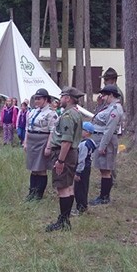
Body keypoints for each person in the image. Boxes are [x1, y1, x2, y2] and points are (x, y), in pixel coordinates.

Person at [45, 87, 85, 232]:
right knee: (68, 187)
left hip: (64, 153)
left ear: (68, 98)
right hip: (71, 153)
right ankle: (65, 220)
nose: (60, 99)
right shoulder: (76, 113)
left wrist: (60, 161)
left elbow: (66, 140)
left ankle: (62, 221)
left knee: (62, 187)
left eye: (62, 96)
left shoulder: (68, 116)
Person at [90, 84, 125, 206]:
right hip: (100, 139)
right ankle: (103, 196)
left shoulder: (114, 109)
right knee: (103, 169)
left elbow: (109, 129)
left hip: (106, 141)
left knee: (106, 170)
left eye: (104, 95)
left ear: (111, 95)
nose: (102, 97)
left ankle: (104, 197)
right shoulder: (108, 107)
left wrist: (103, 146)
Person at [23, 88, 58, 201]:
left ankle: (38, 195)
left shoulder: (51, 114)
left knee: (41, 169)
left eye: (39, 99)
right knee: (33, 168)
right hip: (32, 141)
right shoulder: (33, 111)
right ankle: (31, 192)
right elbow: (27, 127)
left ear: (46, 99)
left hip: (42, 140)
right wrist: (25, 141)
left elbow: (52, 131)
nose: (36, 101)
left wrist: (48, 146)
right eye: (35, 99)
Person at [74, 122, 97, 214]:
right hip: (87, 167)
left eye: (82, 130)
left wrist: (78, 172)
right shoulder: (91, 142)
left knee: (79, 189)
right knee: (84, 187)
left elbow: (81, 159)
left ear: (87, 132)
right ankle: (83, 206)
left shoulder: (84, 145)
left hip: (82, 168)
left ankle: (81, 208)